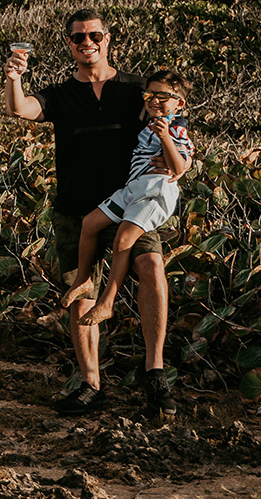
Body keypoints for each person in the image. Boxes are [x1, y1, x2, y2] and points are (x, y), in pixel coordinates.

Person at [3, 9, 177, 419]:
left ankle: (155, 373)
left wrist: (175, 158)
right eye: (79, 38)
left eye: (94, 36)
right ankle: (90, 383)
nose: (88, 43)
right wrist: (14, 78)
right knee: (82, 291)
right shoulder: (61, 94)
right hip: (77, 211)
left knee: (153, 266)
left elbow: (174, 116)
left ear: (108, 38)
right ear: (69, 44)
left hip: (132, 205)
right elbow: (21, 109)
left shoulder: (137, 90)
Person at [64, 70, 194, 329]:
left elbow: (178, 167)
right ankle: (83, 279)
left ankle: (107, 302)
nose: (154, 100)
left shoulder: (177, 128)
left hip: (155, 193)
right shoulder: (147, 123)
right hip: (132, 189)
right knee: (90, 223)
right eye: (150, 95)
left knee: (124, 238)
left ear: (179, 103)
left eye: (163, 96)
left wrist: (165, 137)